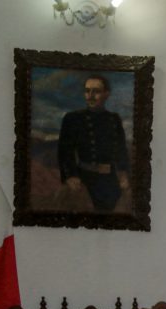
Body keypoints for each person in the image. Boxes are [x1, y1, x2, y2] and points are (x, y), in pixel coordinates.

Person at [57, 74, 130, 212]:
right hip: (84, 178)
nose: (90, 96)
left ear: (106, 94)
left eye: (96, 91)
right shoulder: (73, 118)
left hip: (110, 180)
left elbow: (121, 149)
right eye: (87, 91)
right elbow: (65, 150)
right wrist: (70, 175)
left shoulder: (114, 119)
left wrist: (124, 173)